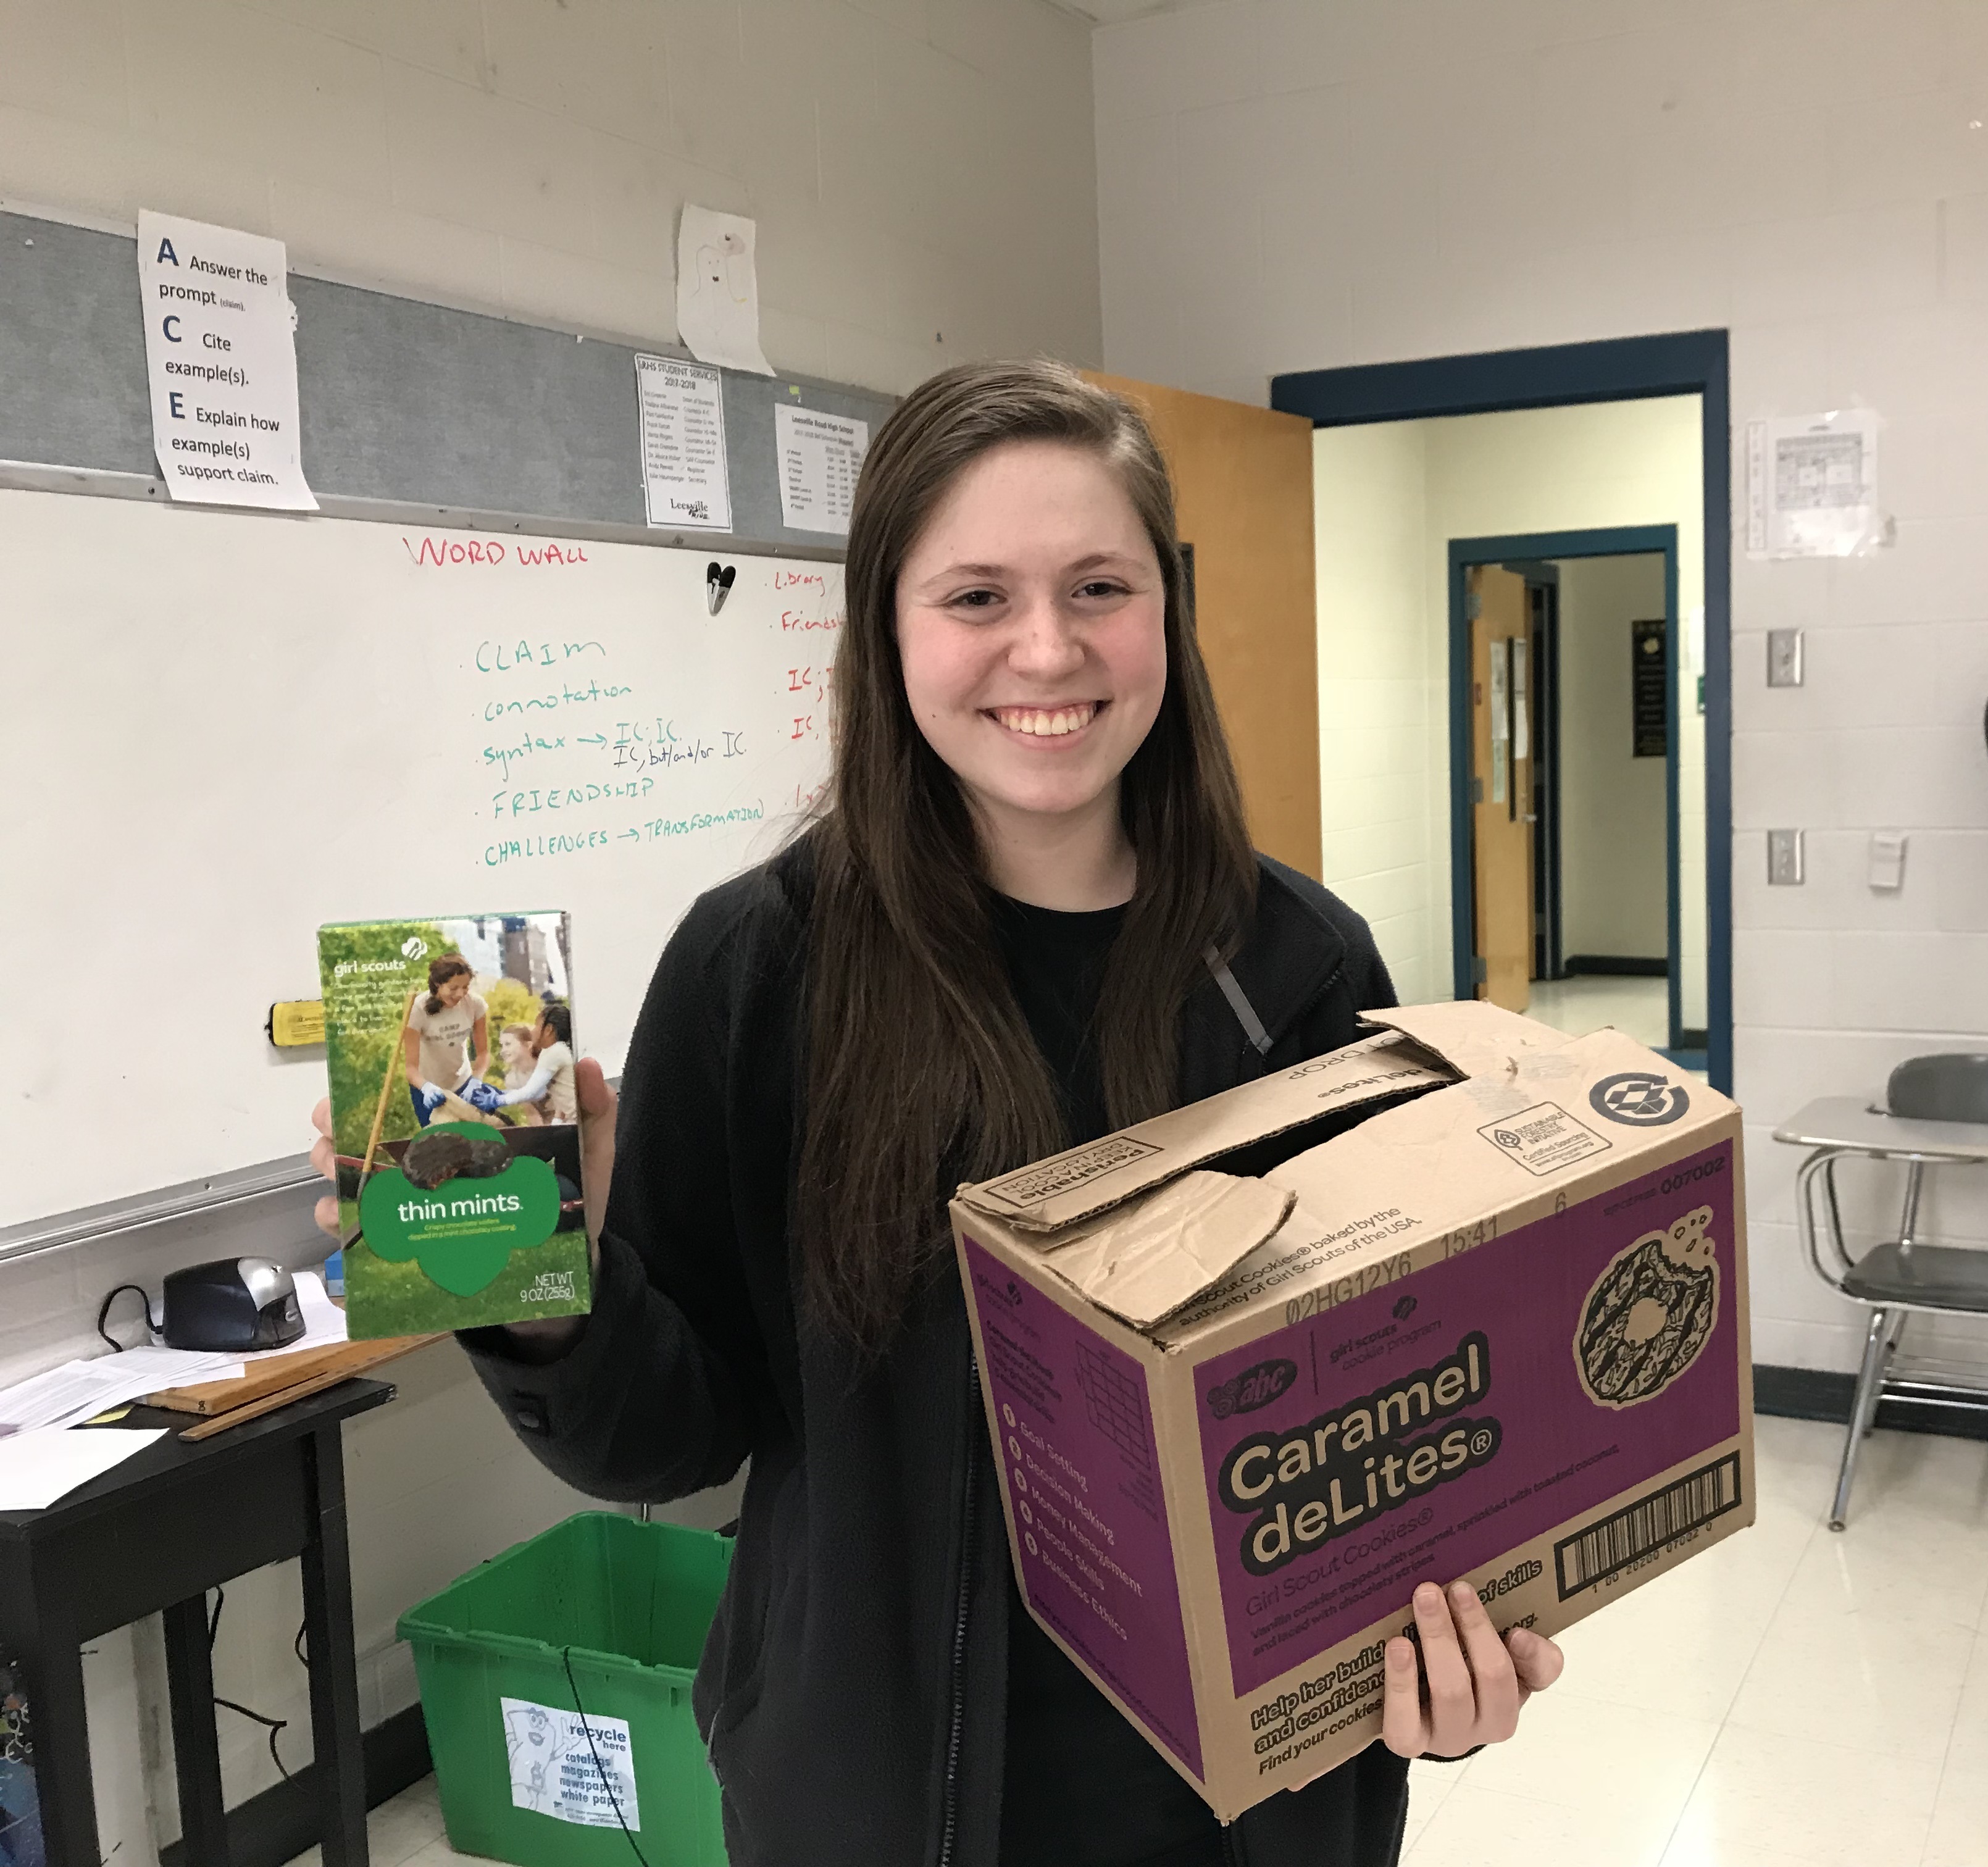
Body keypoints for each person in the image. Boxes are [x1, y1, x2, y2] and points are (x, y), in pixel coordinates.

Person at [312, 361, 1560, 1867]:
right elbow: (679, 1436)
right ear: (885, 626)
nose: (1048, 647)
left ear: (1164, 609)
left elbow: (1396, 1399)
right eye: (975, 596)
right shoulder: (758, 967)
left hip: (1255, 1809)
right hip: (875, 1808)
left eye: (1099, 586)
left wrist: (1443, 1650)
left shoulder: (1297, 966)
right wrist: (540, 1289)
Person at [402, 954, 489, 1126]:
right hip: (427, 1088)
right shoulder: (418, 1009)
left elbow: (483, 1053)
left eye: (465, 987)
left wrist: (476, 1080)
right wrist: (426, 1087)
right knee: (439, 1144)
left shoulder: (475, 1004)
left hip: (463, 1084)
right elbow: (411, 1068)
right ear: (437, 984)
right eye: (453, 988)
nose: (460, 994)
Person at [484, 1006, 578, 1126]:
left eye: (537, 1025)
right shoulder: (553, 1052)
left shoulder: (553, 1052)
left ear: (548, 1030)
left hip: (574, 1120)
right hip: (566, 1121)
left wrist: (494, 1100)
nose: (533, 1030)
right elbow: (536, 1106)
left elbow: (531, 1092)